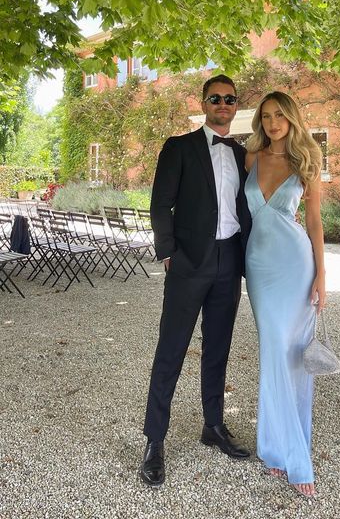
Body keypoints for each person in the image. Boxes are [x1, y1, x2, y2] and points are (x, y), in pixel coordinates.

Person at [140, 74, 252, 488]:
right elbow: (160, 204)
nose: (223, 104)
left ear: (235, 105)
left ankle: (213, 426)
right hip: (188, 264)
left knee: (218, 349)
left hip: (229, 261)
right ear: (204, 103)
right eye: (215, 98)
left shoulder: (243, 154)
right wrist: (168, 253)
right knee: (171, 350)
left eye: (229, 99)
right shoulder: (179, 147)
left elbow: (250, 207)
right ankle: (154, 441)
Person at [244, 91, 326, 498]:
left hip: (296, 267)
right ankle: (274, 446)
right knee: (273, 350)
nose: (273, 122)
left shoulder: (305, 162)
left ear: (292, 118)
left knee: (290, 357)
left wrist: (321, 277)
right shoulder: (251, 158)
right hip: (258, 269)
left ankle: (292, 454)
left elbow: (313, 223)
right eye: (267, 116)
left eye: (280, 115)